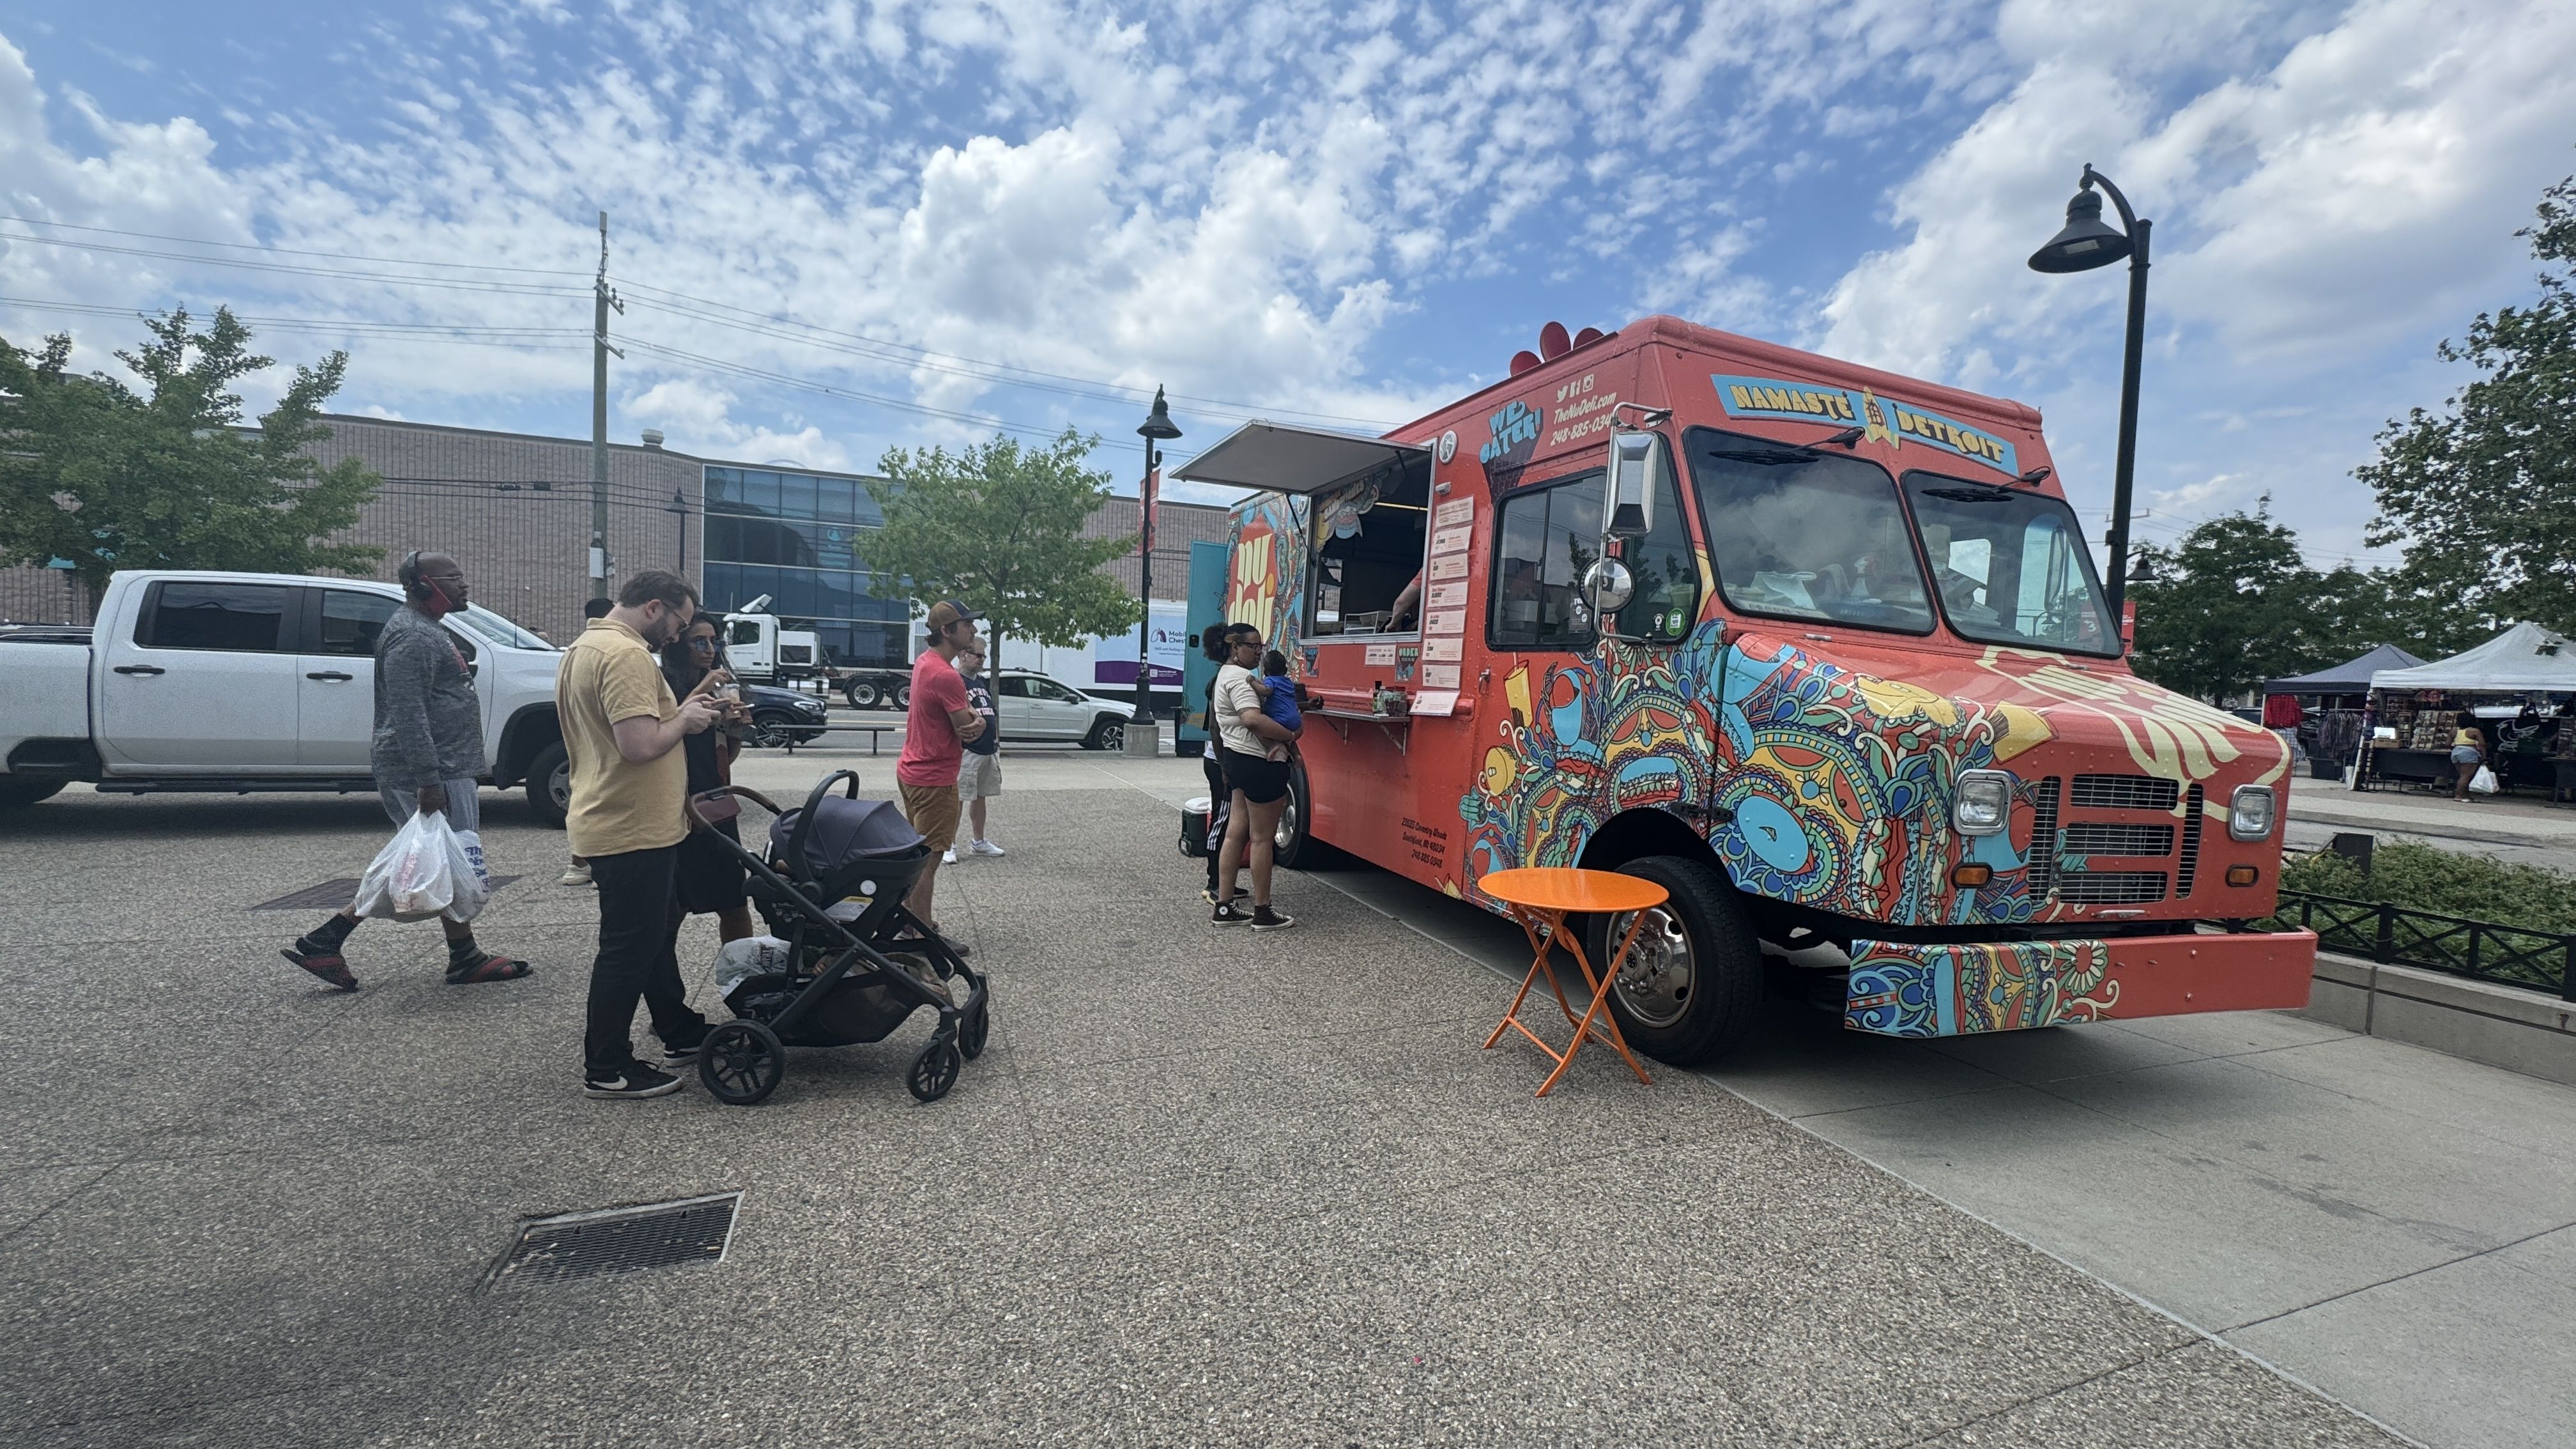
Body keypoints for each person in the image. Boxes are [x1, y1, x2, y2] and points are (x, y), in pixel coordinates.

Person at [282, 551, 532, 992]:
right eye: (452, 577)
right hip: (432, 770)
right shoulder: (413, 636)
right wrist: (428, 779)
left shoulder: (427, 630)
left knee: (434, 859)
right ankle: (337, 940)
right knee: (433, 860)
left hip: (442, 766)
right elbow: (408, 713)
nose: (463, 584)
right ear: (421, 584)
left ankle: (338, 941)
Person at [558, 571, 724, 1100]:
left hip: (622, 816)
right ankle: (606, 1067)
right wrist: (687, 721)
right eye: (678, 622)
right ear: (654, 607)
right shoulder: (627, 656)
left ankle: (677, 1028)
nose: (678, 634)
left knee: (652, 937)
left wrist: (684, 711)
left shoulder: (584, 648)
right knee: (629, 948)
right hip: (630, 825)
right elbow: (639, 744)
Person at [895, 600, 987, 946]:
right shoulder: (946, 675)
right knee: (928, 861)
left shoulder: (926, 662)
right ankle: (922, 935)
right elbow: (969, 731)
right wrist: (978, 720)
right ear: (947, 631)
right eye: (966, 625)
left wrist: (972, 714)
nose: (974, 630)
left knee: (916, 855)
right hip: (935, 779)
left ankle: (910, 922)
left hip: (912, 772)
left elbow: (963, 710)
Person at [661, 613, 756, 944]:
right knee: (672, 907)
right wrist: (702, 689)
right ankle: (661, 972)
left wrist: (735, 729)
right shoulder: (665, 686)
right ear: (678, 645)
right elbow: (661, 732)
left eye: (715, 641)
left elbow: (723, 759)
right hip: (676, 806)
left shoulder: (720, 689)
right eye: (699, 642)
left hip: (715, 803)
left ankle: (742, 971)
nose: (710, 650)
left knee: (734, 901)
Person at [1211, 625, 1299, 930]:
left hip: (1237, 760)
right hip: (1259, 763)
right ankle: (1263, 912)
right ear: (1235, 648)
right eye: (1254, 646)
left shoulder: (1224, 675)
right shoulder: (1240, 678)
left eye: (1262, 646)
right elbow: (1252, 719)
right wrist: (1290, 736)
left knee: (1235, 834)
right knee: (1262, 839)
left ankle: (1224, 907)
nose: (1260, 651)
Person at [560, 595, 617, 887]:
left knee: (583, 796)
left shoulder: (575, 650)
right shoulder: (610, 651)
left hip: (580, 739)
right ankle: (600, 865)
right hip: (604, 742)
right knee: (605, 800)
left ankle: (580, 863)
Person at [1197, 623, 1252, 905]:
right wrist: (1225, 767)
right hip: (1220, 762)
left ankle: (1223, 881)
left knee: (1229, 821)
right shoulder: (1223, 680)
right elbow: (1215, 729)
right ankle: (1214, 884)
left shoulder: (1223, 676)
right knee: (1221, 821)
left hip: (1221, 760)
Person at [949, 636, 1004, 864]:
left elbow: (990, 712)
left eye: (984, 656)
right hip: (967, 750)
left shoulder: (980, 682)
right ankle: (949, 845)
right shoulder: (955, 680)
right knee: (958, 798)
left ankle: (979, 842)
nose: (982, 660)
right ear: (964, 655)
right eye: (978, 655)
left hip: (987, 749)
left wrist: (996, 741)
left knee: (980, 797)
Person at [1251, 649, 1303, 763]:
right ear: (1285, 670)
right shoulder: (1288, 682)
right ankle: (1296, 755)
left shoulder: (1270, 681)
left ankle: (1272, 747)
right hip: (1295, 720)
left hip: (1280, 720)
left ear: (1266, 672)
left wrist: (1252, 682)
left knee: (1258, 729)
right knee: (1290, 740)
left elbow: (1267, 691)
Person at [2451, 711, 2487, 801]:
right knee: (2466, 776)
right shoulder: (2474, 731)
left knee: (2463, 775)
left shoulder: (2454, 731)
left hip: (2456, 752)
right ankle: (2459, 795)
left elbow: (2448, 743)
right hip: (2469, 753)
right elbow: (2482, 744)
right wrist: (2484, 756)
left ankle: (2466, 795)